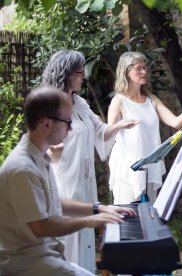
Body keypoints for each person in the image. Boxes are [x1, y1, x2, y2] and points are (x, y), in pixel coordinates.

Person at [0, 86, 136, 276]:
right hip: (24, 263)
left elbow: (54, 202)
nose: (70, 128)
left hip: (41, 257)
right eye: (67, 121)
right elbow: (42, 226)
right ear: (46, 123)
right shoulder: (22, 168)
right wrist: (90, 220)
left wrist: (99, 208)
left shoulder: (38, 157)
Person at [41, 50, 138, 272]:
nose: (84, 75)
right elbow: (39, 146)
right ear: (65, 74)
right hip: (64, 178)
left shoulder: (80, 103)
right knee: (68, 239)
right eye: (79, 72)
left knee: (85, 236)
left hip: (85, 180)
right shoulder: (50, 103)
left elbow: (99, 131)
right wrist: (51, 155)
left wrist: (120, 125)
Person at [107, 51, 182, 204]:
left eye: (144, 67)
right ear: (126, 72)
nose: (144, 72)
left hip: (150, 165)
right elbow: (109, 133)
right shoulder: (119, 100)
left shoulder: (151, 99)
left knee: (148, 216)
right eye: (138, 68)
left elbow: (175, 122)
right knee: (127, 216)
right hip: (128, 167)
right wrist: (121, 125)